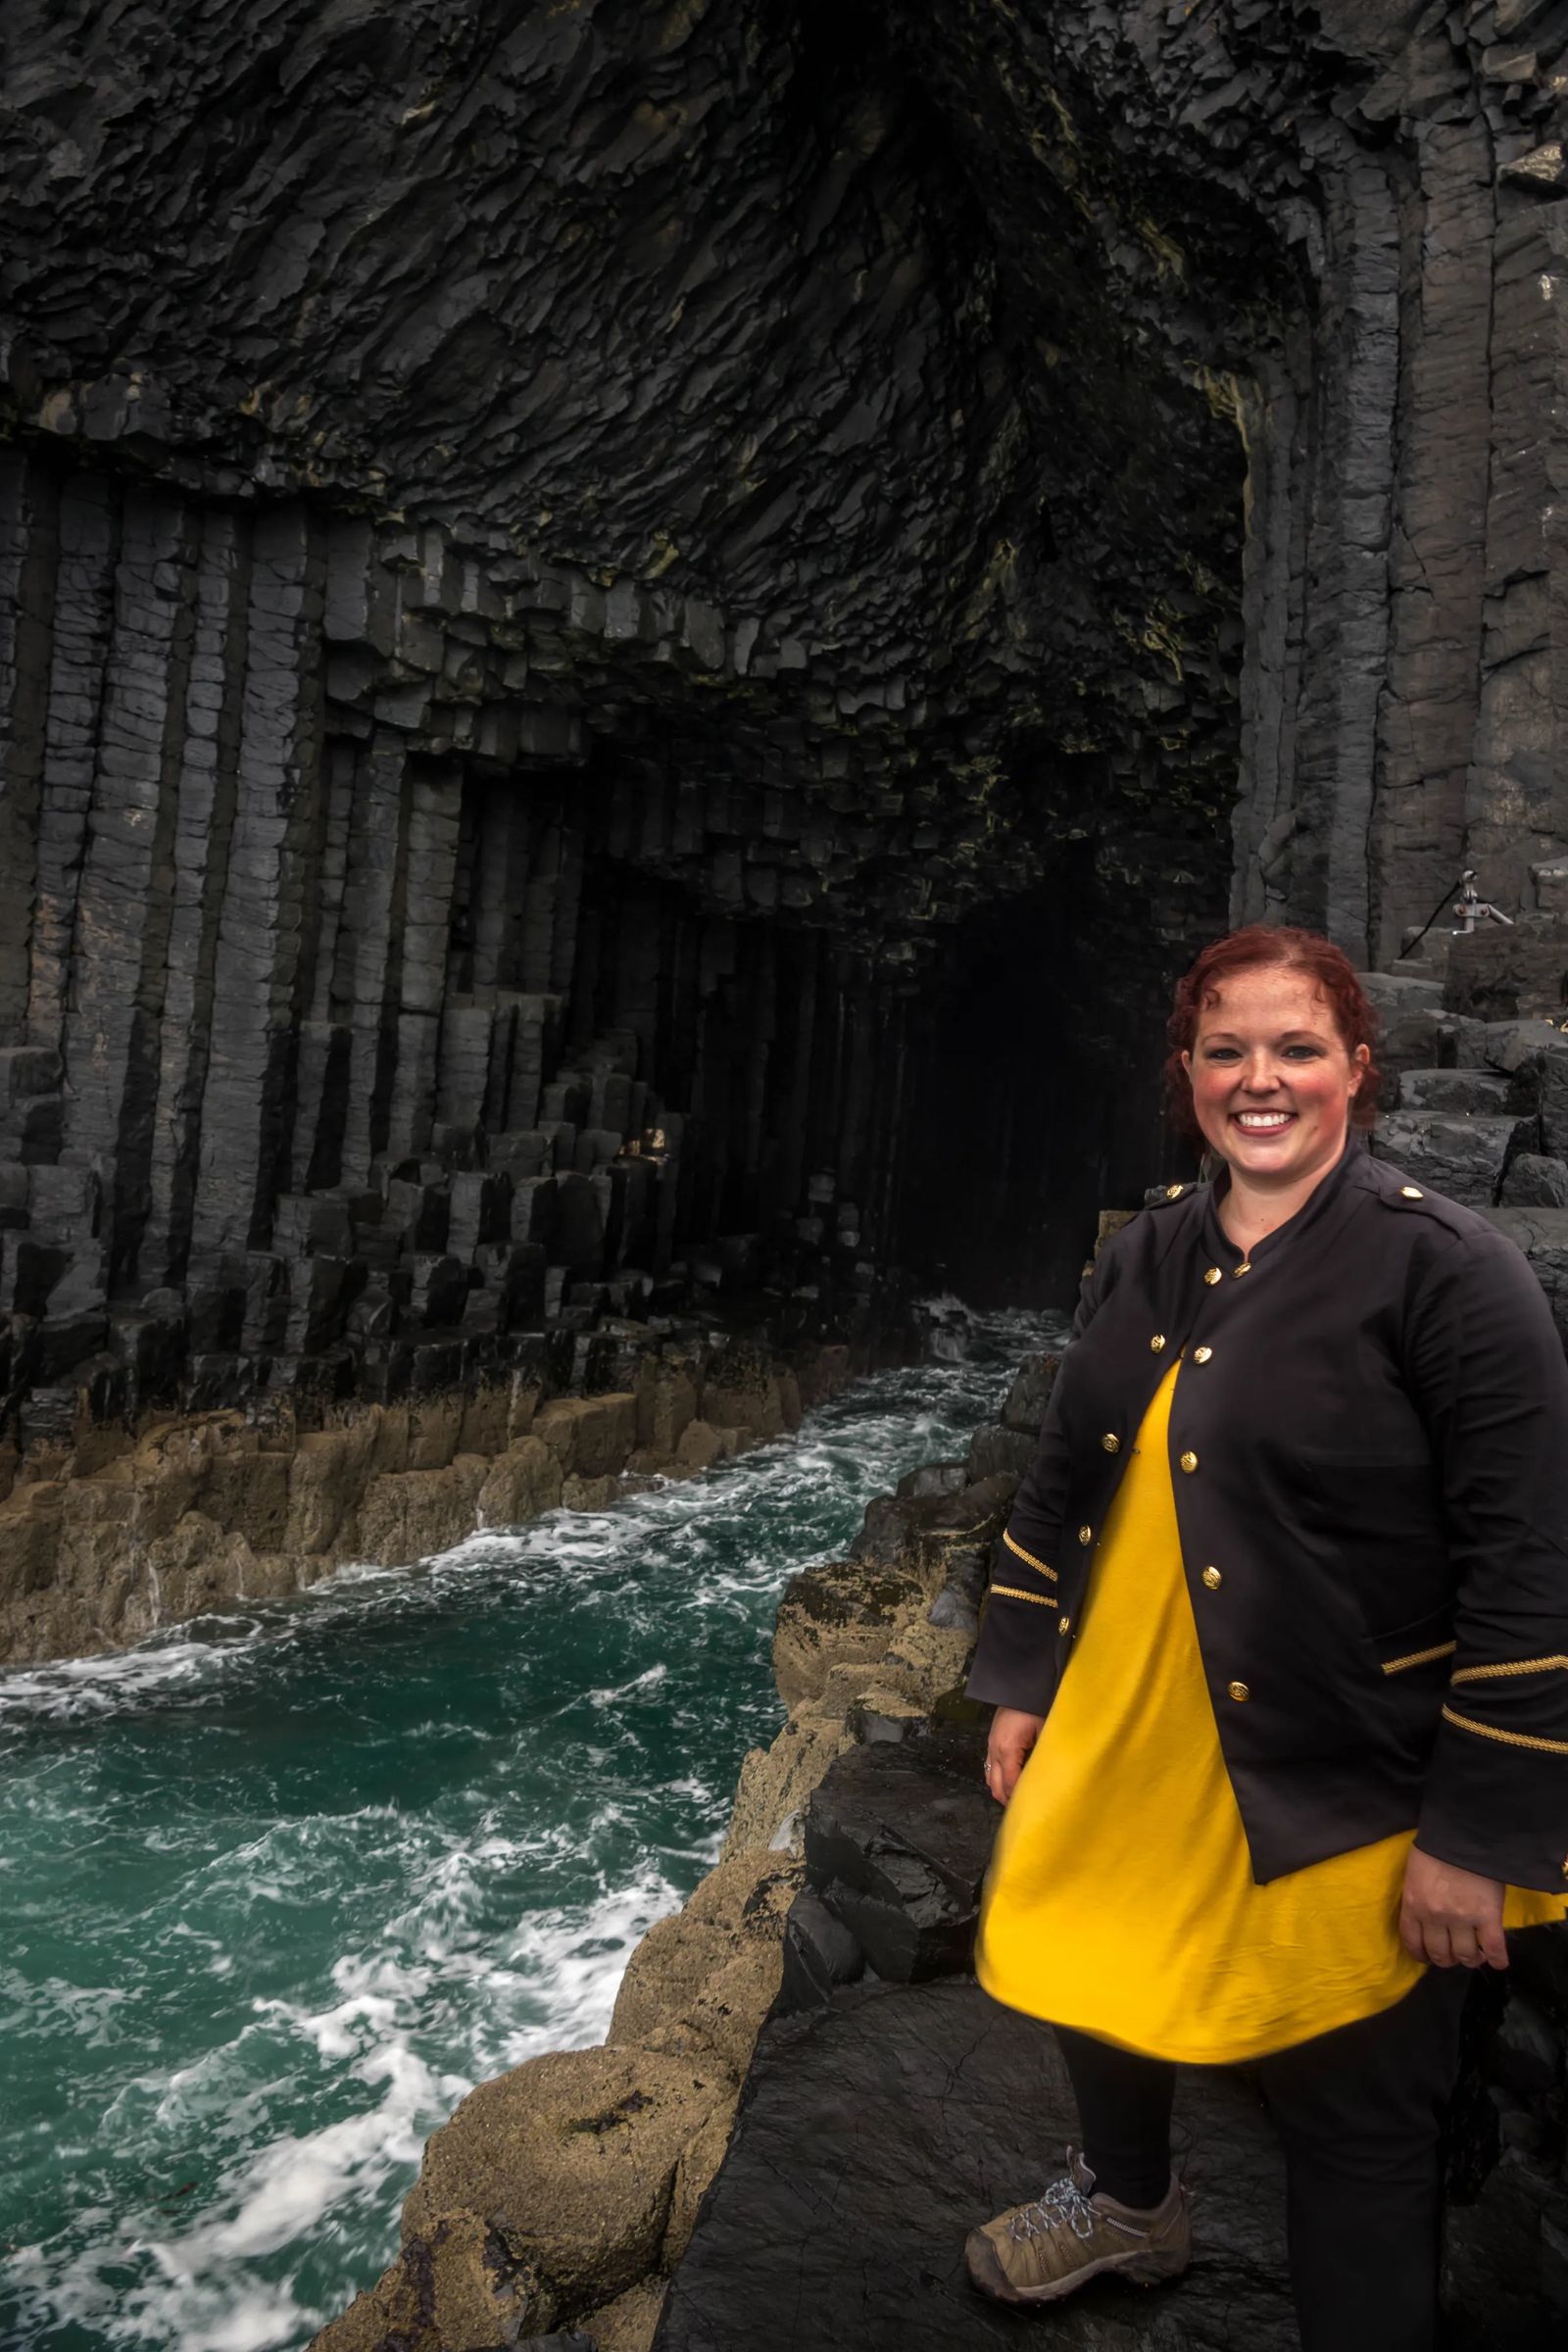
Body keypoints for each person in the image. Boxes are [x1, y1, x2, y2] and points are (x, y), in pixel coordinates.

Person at [960, 923, 1568, 2349]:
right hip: (1125, 1727)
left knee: (1359, 2116)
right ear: (1186, 1073)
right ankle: (1127, 2202)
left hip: (1339, 1763)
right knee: (1087, 1959)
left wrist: (1478, 1835)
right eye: (1226, 1049)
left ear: (1359, 1066)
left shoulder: (1449, 1273)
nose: (1262, 1079)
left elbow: (1533, 1566)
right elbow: (1066, 1477)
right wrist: (1020, 1676)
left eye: (1297, 1047)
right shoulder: (1150, 1253)